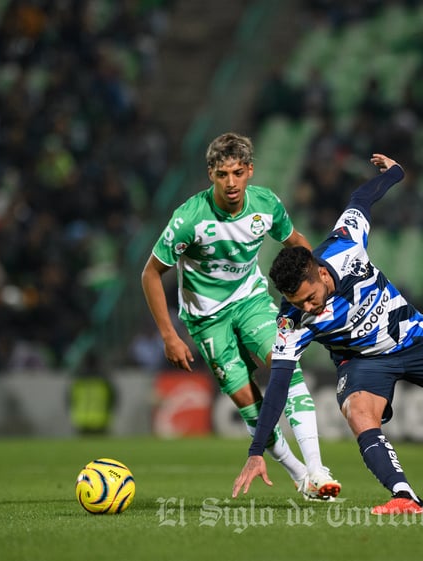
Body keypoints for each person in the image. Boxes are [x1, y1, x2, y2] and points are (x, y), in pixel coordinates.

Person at [232, 154, 423, 516]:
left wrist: (396, 172)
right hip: (363, 361)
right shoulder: (292, 320)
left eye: (308, 299)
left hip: (415, 339)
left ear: (321, 274)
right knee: (358, 412)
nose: (306, 308)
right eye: (296, 303)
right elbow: (277, 385)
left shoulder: (346, 246)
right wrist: (256, 451)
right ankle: (405, 496)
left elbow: (361, 200)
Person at [141, 132, 340, 500]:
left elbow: (295, 242)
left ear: (249, 171)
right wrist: (169, 335)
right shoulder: (189, 219)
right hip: (206, 321)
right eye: (222, 174)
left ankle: (317, 468)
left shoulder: (266, 205)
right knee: (251, 408)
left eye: (237, 172)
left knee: (285, 364)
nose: (230, 183)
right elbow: (151, 273)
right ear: (210, 175)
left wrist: (319, 281)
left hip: (251, 301)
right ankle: (300, 476)